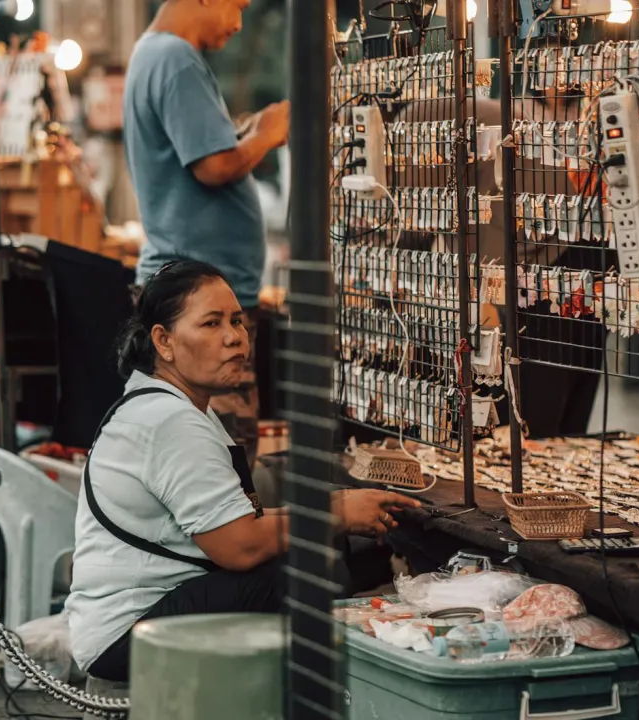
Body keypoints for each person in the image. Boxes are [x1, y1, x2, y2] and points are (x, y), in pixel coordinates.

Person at [65, 260, 420, 682]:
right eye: (212, 324)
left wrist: (337, 508)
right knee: (305, 572)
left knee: (328, 547)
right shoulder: (168, 420)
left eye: (237, 321)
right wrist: (336, 511)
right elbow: (238, 546)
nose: (235, 338)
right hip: (125, 633)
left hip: (155, 609)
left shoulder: (179, 407)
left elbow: (236, 524)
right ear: (164, 340)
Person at [124, 0, 291, 470]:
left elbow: (208, 152)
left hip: (197, 292)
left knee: (203, 447)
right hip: (201, 299)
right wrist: (269, 133)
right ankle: (225, 544)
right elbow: (213, 166)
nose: (239, 24)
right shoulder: (174, 58)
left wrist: (246, 135)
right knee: (220, 458)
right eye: (236, 6)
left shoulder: (156, 53)